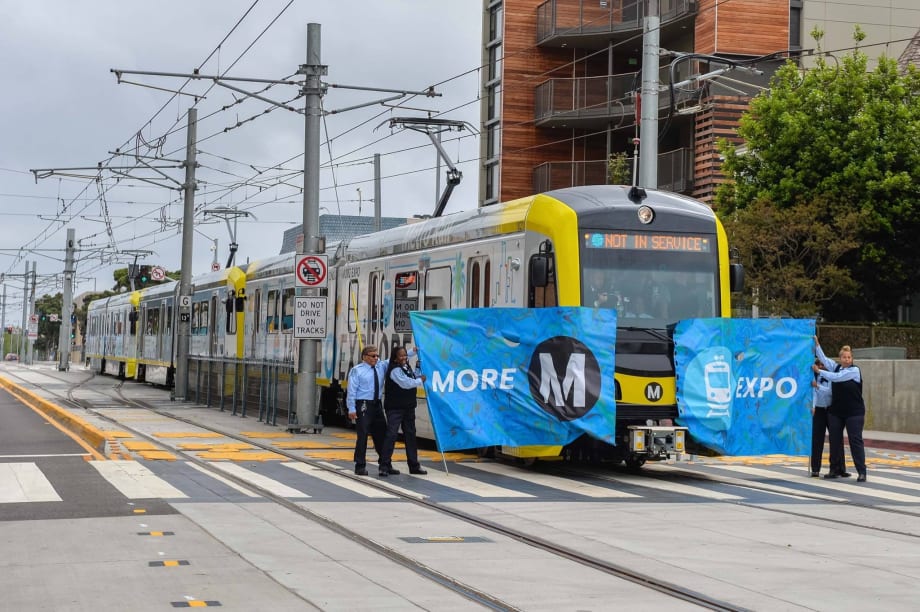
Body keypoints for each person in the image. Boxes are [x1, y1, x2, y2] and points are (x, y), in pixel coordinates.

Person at [814, 339, 867, 482]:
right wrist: (817, 345)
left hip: (854, 412)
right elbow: (824, 359)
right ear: (840, 358)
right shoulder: (836, 367)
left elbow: (837, 378)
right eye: (844, 357)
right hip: (836, 412)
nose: (846, 359)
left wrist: (819, 371)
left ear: (852, 358)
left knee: (855, 441)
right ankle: (834, 469)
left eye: (849, 357)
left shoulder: (854, 371)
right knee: (834, 441)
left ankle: (861, 471)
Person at [381, 346, 428, 476]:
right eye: (401, 356)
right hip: (395, 408)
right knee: (391, 435)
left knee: (410, 436)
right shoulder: (394, 370)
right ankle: (384, 466)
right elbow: (407, 384)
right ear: (395, 358)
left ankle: (414, 465)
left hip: (408, 407)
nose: (404, 358)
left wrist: (417, 368)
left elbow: (413, 378)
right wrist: (420, 380)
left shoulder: (406, 366)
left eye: (405, 355)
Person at [346, 345, 390, 476]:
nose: (376, 358)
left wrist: (412, 351)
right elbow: (352, 390)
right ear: (365, 357)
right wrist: (351, 408)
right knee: (363, 434)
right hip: (363, 403)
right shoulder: (357, 370)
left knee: (382, 434)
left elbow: (394, 358)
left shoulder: (380, 366)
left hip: (377, 404)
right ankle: (360, 465)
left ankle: (385, 464)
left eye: (377, 356)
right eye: (373, 356)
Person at [809, 359, 832, 477]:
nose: (821, 367)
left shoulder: (831, 375)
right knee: (817, 440)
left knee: (835, 440)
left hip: (831, 409)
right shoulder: (812, 376)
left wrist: (818, 386)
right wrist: (812, 406)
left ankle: (837, 468)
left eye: (823, 365)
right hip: (818, 410)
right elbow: (813, 393)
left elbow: (830, 392)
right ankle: (815, 468)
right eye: (819, 365)